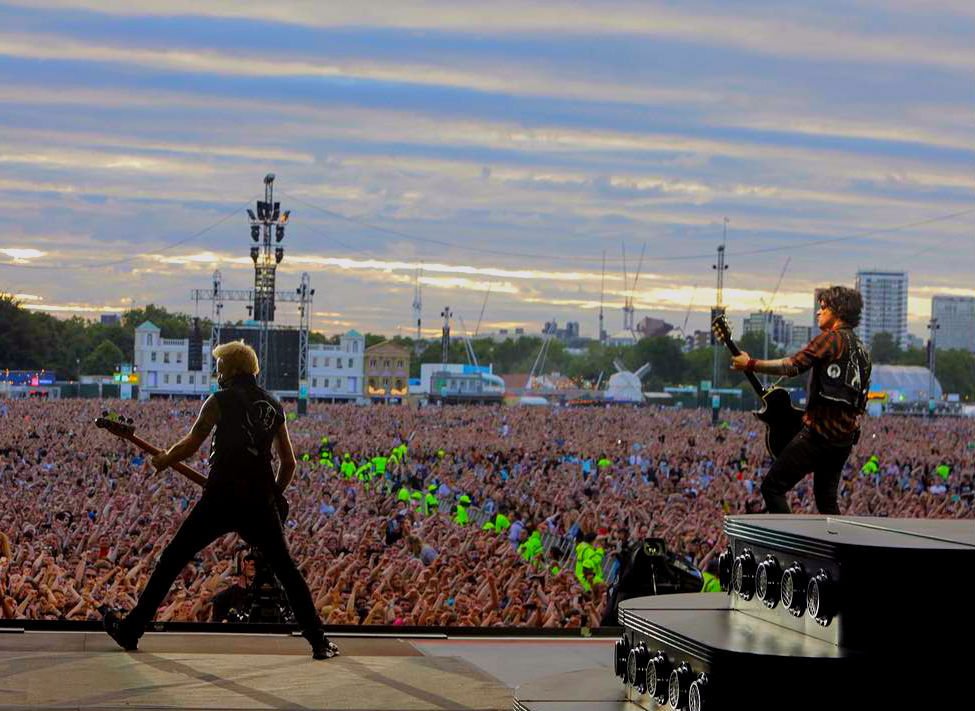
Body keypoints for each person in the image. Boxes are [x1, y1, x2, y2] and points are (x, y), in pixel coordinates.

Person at [102, 341, 339, 659]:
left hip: (221, 498)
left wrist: (165, 459)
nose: (217, 371)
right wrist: (272, 496)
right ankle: (319, 642)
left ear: (231, 369)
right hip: (259, 503)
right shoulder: (273, 405)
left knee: (172, 560)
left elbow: (191, 443)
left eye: (220, 366)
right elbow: (289, 463)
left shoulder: (219, 401)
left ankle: (131, 630)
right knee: (288, 572)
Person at [731, 285, 872, 515]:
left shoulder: (831, 340)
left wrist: (751, 364)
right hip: (844, 441)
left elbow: (792, 365)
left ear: (837, 311)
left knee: (772, 488)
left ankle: (789, 545)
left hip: (818, 435)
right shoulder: (863, 351)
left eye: (823, 308)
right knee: (827, 503)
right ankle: (837, 549)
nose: (818, 312)